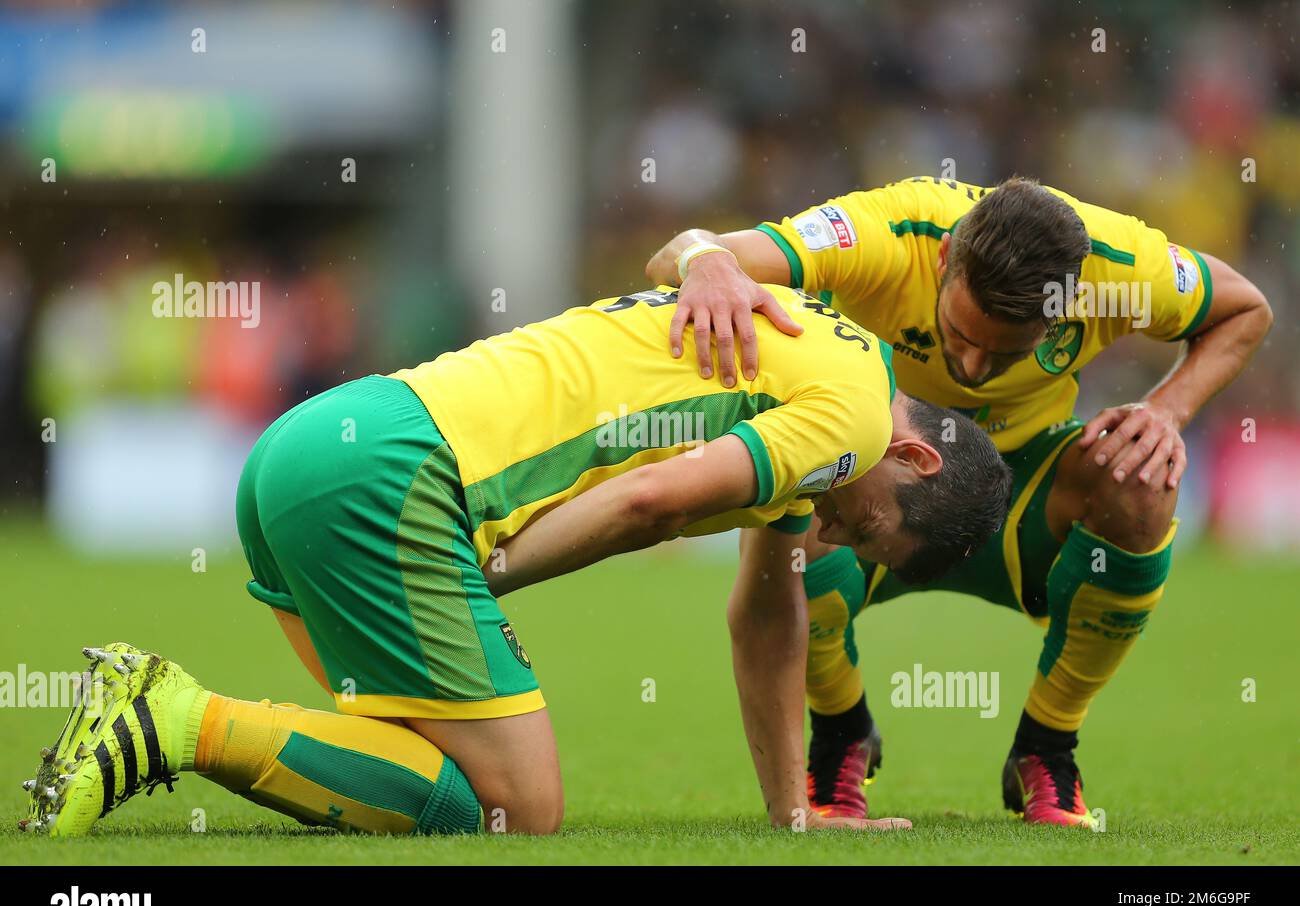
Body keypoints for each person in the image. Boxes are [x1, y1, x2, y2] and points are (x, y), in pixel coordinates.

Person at [22, 282, 1011, 837]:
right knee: (520, 807)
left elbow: (763, 611)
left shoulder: (821, 349)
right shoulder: (842, 422)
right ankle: (173, 718)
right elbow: (646, 501)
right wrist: (480, 573)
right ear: (912, 456)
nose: (834, 538)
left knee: (440, 787)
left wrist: (792, 807)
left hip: (315, 444)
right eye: (868, 527)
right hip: (394, 477)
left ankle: (171, 725)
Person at [646, 175, 1273, 827]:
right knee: (792, 503)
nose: (971, 369)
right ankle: (840, 732)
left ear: (1069, 303)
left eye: (1003, 352)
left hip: (1026, 494)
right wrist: (706, 261)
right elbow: (686, 252)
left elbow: (1246, 309)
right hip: (883, 477)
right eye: (959, 334)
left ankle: (1048, 745)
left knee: (1145, 476)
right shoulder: (886, 232)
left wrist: (1167, 411)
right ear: (943, 261)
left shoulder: (1123, 268)